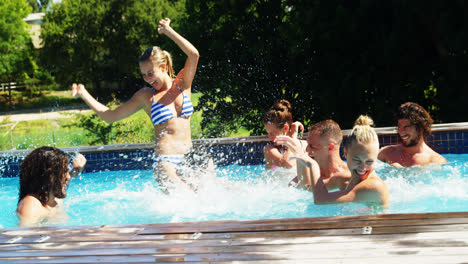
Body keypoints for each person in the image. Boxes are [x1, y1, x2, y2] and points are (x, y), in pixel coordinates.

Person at [72, 18, 200, 190]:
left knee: (219, 193)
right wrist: (83, 93)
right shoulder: (146, 96)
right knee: (188, 200)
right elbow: (109, 116)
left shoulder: (183, 83)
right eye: (143, 75)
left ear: (163, 67)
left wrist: (168, 31)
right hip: (166, 162)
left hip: (189, 158)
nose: (147, 79)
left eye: (150, 73)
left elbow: (193, 55)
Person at [278, 115, 389, 206]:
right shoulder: (347, 178)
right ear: (345, 154)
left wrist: (312, 164)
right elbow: (309, 188)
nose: (363, 167)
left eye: (369, 161)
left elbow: (321, 200)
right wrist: (298, 153)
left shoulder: (374, 186)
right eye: (357, 160)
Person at [16, 146, 87, 227]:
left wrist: (76, 170)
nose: (67, 176)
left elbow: (66, 179)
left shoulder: (54, 198)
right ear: (50, 177)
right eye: (64, 171)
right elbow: (24, 236)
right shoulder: (32, 205)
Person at [378, 102, 446, 167]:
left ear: (421, 128)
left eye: (406, 127)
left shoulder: (435, 161)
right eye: (399, 127)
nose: (401, 132)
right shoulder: (387, 152)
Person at [290, 120, 351, 190]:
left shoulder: (352, 174)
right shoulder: (305, 176)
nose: (307, 150)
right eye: (307, 145)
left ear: (330, 147)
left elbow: (309, 188)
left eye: (312, 146)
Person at [263, 100, 305, 170]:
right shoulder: (269, 150)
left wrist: (292, 139)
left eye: (272, 133)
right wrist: (293, 137)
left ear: (285, 128)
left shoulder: (303, 145)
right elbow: (289, 164)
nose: (269, 138)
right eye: (268, 133)